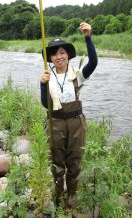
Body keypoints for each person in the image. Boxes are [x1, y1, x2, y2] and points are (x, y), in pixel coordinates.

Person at [40, 22, 98, 211]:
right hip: (55, 122)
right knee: (57, 160)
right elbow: (44, 104)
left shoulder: (77, 75)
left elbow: (94, 63)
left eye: (62, 52)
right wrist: (42, 84)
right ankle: (58, 194)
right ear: (50, 58)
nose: (59, 56)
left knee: (75, 159)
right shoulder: (47, 77)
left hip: (75, 123)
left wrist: (88, 37)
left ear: (68, 56)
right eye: (55, 53)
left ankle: (72, 194)